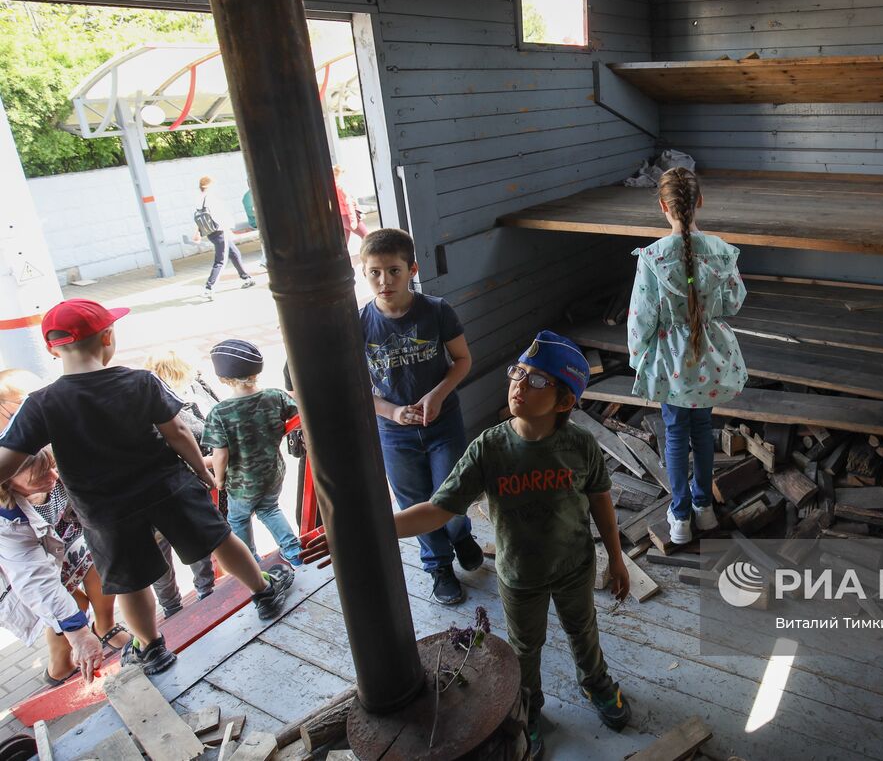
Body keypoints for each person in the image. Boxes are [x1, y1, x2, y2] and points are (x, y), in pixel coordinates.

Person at [305, 331, 631, 760]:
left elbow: (600, 500)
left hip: (575, 566)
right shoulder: (489, 450)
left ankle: (596, 683)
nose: (518, 385)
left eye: (537, 382)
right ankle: (528, 709)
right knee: (525, 650)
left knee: (582, 630)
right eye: (518, 373)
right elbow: (438, 510)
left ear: (565, 401)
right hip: (519, 576)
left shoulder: (579, 445)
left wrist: (617, 557)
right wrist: (366, 529)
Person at [0, 299, 296, 676]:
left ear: (51, 349)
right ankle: (264, 593)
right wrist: (202, 475)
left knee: (132, 579)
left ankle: (153, 648)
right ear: (108, 337)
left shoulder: (39, 405)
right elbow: (178, 431)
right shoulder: (139, 380)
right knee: (218, 540)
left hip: (105, 512)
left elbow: (6, 463)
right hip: (166, 487)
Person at [359, 228, 480, 605]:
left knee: (452, 491)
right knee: (412, 500)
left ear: (412, 269)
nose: (385, 281)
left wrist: (437, 394)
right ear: (363, 272)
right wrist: (392, 411)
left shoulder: (436, 311)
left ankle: (460, 534)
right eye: (374, 272)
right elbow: (358, 389)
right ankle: (438, 565)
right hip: (394, 432)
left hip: (442, 423)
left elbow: (462, 360)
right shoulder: (357, 323)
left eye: (394, 271)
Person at [626, 167, 747, 544]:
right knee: (703, 431)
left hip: (673, 365)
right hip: (709, 360)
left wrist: (637, 357)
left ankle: (679, 517)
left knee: (675, 434)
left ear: (664, 206)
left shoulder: (653, 257)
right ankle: (704, 510)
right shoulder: (722, 252)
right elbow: (733, 303)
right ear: (700, 203)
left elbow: (642, 317)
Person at [0, 371, 128, 686]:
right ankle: (59, 670)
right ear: (7, 476)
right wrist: (77, 631)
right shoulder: (7, 515)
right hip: (24, 566)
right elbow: (34, 578)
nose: (53, 478)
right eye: (40, 476)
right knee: (69, 609)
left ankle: (105, 627)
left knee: (100, 566)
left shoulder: (48, 445)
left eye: (53, 467)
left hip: (63, 537)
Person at [201, 340, 302, 566]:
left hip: (242, 482)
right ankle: (294, 552)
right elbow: (297, 417)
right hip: (273, 472)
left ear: (223, 378)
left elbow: (220, 455)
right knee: (269, 509)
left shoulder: (220, 413)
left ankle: (251, 562)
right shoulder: (276, 396)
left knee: (238, 519)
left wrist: (218, 480)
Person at [143, 352, 219, 615]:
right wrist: (206, 469)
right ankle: (206, 592)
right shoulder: (175, 407)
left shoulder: (142, 406)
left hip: (147, 495)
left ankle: (172, 608)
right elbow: (182, 436)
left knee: (159, 557)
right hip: (178, 488)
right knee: (195, 541)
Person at [194, 175, 255, 302]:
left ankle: (246, 278)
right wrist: (228, 230)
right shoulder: (211, 199)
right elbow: (221, 217)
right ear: (209, 186)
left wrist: (198, 233)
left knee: (235, 253)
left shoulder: (199, 199)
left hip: (211, 233)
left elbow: (199, 218)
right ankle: (209, 288)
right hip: (220, 232)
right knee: (221, 261)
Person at [332, 165, 367, 245]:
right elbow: (348, 204)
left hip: (342, 217)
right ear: (339, 175)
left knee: (344, 242)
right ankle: (369, 256)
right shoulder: (341, 187)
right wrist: (353, 221)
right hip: (348, 217)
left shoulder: (334, 187)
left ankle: (340, 256)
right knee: (367, 236)